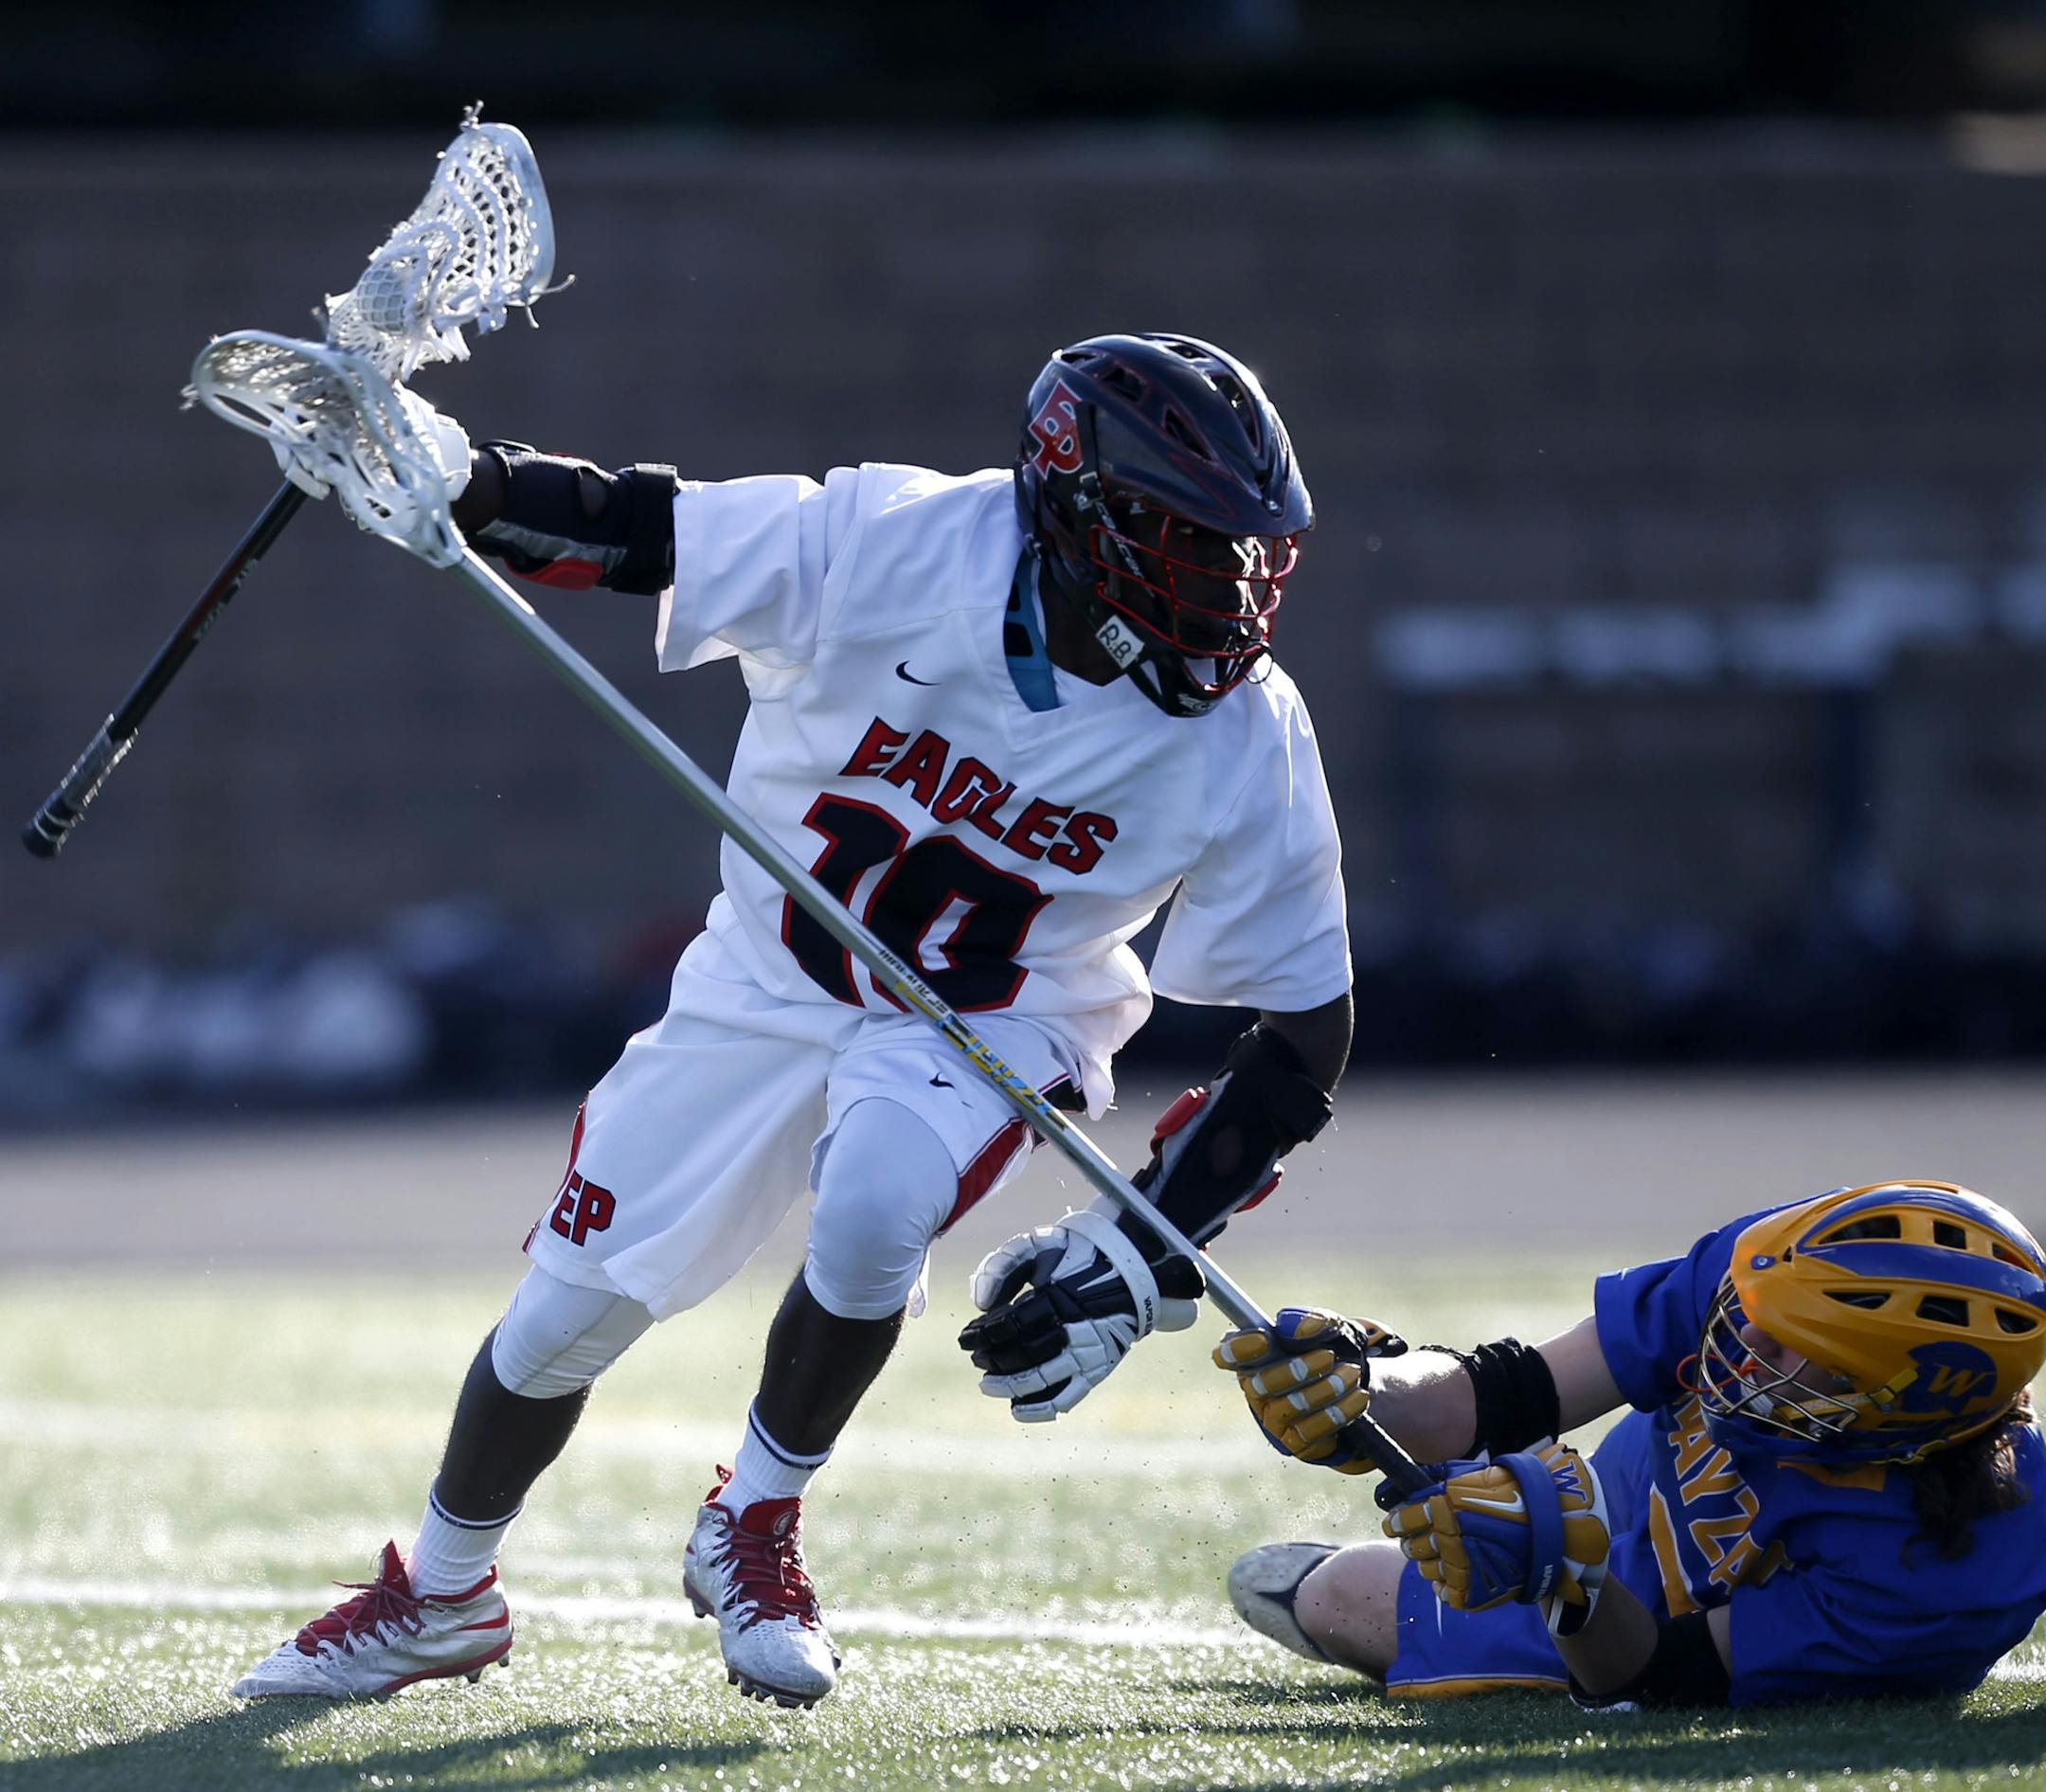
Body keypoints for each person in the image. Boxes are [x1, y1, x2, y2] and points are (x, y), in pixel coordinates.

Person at [231, 332, 1355, 1709]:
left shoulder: (1253, 732)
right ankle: (444, 1595)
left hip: (995, 1016)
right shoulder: (899, 542)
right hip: (769, 978)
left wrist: (1145, 1245)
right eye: (1186, 539)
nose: (1227, 585)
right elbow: (645, 530)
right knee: (560, 1319)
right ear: (1073, 508)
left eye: (1243, 547)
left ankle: (753, 1522)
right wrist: (449, 477)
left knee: (881, 1197)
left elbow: (1306, 1031)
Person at [1216, 1180, 2046, 1707]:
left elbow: (1656, 1678)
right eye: (1758, 1316)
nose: (1744, 1343)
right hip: (1616, 1486)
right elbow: (1515, 1389)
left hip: (1643, 1619)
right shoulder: (1772, 1272)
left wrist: (1566, 1581)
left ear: (1896, 1412)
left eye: (1796, 1353)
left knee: (1332, 1597)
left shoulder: (1953, 1578)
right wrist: (1363, 1394)